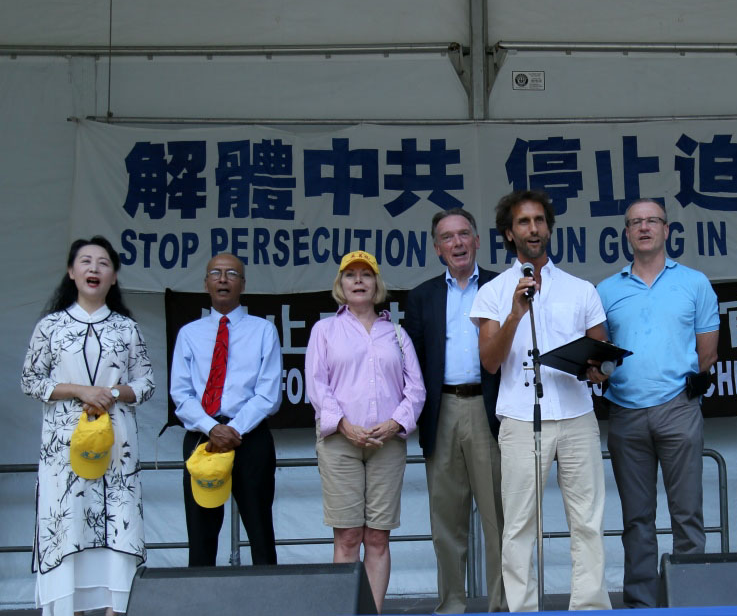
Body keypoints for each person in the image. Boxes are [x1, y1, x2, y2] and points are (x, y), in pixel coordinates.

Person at [470, 190, 612, 611]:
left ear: (548, 228)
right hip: (519, 418)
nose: (533, 229)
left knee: (587, 520)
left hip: (576, 414)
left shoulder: (580, 289)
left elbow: (601, 354)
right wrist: (516, 312)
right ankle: (523, 609)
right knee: (518, 526)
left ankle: (589, 607)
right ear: (508, 233)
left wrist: (599, 368)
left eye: (539, 221)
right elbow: (490, 361)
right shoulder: (494, 291)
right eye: (523, 222)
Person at [20, 236, 155, 616]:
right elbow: (30, 380)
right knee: (68, 524)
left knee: (118, 523)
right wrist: (80, 391)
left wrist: (110, 393)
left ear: (114, 277)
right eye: (85, 261)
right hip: (63, 449)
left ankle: (115, 609)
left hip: (117, 448)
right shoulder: (50, 326)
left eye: (103, 263)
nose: (94, 268)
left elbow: (146, 383)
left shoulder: (126, 328)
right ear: (71, 272)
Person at [595, 199, 718, 608]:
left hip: (679, 408)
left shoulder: (695, 283)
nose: (644, 228)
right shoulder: (606, 290)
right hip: (625, 413)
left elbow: (707, 353)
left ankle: (690, 600)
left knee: (687, 514)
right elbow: (600, 355)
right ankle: (641, 604)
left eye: (652, 221)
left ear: (667, 230)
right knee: (636, 519)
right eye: (636, 222)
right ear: (626, 233)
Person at [306, 250, 425, 612]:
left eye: (366, 274)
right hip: (340, 443)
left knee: (377, 538)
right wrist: (344, 425)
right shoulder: (325, 330)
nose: (358, 280)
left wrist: (394, 423)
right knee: (347, 536)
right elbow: (317, 385)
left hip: (386, 445)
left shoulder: (397, 334)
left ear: (377, 284)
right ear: (340, 285)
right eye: (350, 274)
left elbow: (416, 389)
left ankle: (372, 611)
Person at [403, 209, 504, 613]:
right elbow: (412, 362)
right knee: (446, 519)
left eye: (464, 234)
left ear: (477, 241)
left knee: (499, 517)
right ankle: (451, 604)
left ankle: (502, 604)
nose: (457, 243)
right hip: (441, 409)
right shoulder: (422, 296)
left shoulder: (502, 286)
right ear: (437, 248)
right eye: (447, 237)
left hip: (489, 409)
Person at [170, 253, 282, 566]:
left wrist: (232, 429)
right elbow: (180, 393)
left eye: (231, 274)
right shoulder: (189, 333)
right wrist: (212, 428)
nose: (223, 279)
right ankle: (202, 594)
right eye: (215, 273)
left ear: (242, 284)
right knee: (201, 533)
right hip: (202, 436)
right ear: (205, 283)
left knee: (260, 530)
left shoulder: (263, 330)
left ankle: (269, 593)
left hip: (250, 435)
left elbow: (269, 394)